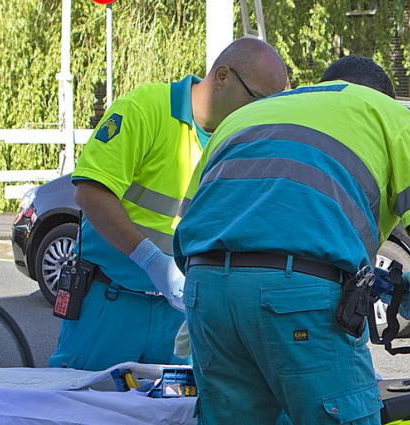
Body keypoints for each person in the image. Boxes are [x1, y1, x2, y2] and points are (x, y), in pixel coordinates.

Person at [173, 55, 410, 425]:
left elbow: (190, 221)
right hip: (298, 294)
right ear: (382, 94)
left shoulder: (243, 118)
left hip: (206, 290)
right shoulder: (389, 114)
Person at [48, 38, 288, 371]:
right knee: (84, 407)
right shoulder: (144, 109)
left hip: (182, 315)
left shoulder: (243, 140)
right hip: (111, 302)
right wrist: (153, 261)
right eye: (258, 100)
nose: (260, 115)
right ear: (222, 76)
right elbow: (90, 193)